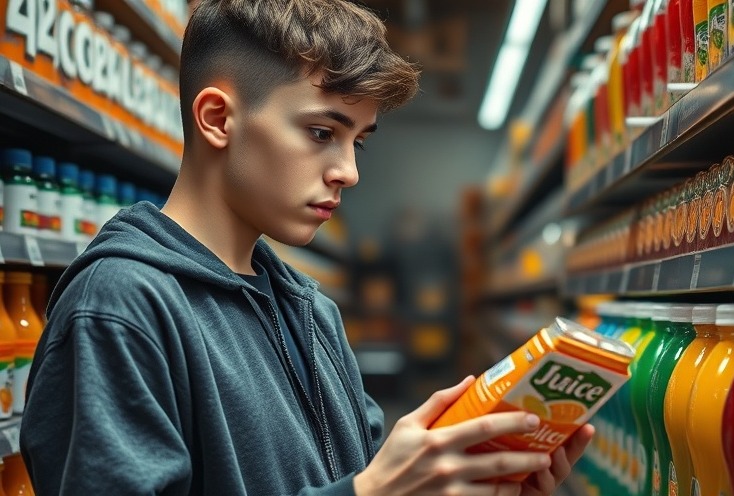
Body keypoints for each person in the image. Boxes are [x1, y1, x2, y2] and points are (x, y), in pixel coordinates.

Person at [20, 0, 594, 494]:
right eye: (322, 133)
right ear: (217, 119)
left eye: (356, 143)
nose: (348, 172)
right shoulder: (120, 308)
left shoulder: (310, 309)